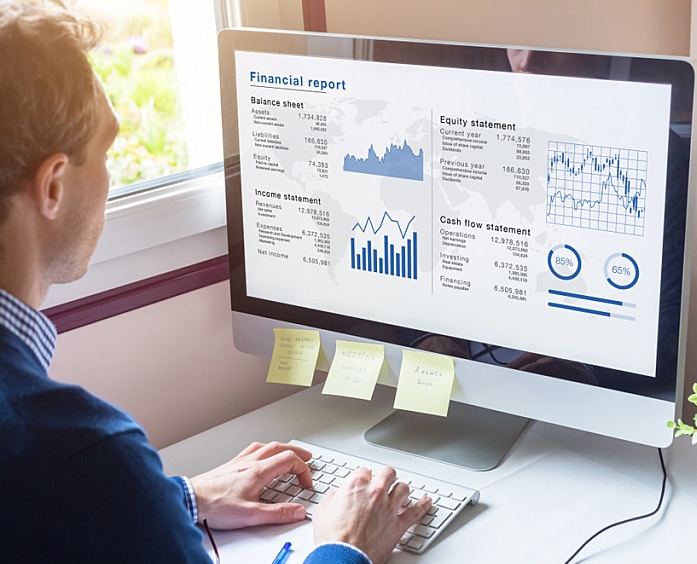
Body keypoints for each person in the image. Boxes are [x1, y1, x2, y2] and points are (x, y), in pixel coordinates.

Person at [0, 1, 430, 562]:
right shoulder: (81, 457)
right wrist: (344, 548)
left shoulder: (76, 473)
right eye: (105, 152)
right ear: (53, 186)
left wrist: (174, 499)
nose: (110, 177)